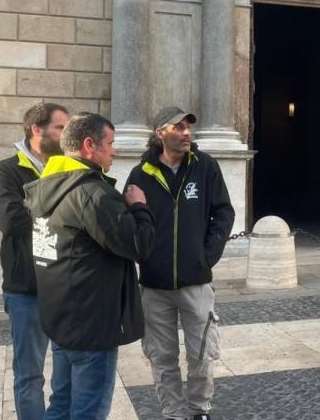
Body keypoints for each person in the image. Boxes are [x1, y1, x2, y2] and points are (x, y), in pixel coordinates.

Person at [25, 112, 155, 419]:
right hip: (91, 324)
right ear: (88, 145)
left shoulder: (48, 186)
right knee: (88, 412)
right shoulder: (92, 194)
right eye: (109, 144)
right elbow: (139, 245)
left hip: (61, 318)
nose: (114, 152)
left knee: (60, 405)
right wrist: (140, 208)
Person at [125, 107, 235, 420]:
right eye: (179, 127)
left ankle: (200, 411)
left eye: (189, 128)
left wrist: (207, 255)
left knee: (201, 354)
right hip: (154, 285)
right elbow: (132, 221)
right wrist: (144, 255)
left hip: (196, 283)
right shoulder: (140, 174)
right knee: (162, 357)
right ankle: (173, 413)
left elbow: (224, 212)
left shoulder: (205, 166)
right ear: (161, 133)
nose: (187, 133)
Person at [0, 101, 68, 420]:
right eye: (60, 128)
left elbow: (84, 213)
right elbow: (11, 221)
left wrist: (31, 206)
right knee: (29, 376)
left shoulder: (68, 166)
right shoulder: (7, 170)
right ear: (37, 129)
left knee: (67, 373)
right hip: (26, 289)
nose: (66, 134)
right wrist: (58, 212)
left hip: (66, 287)